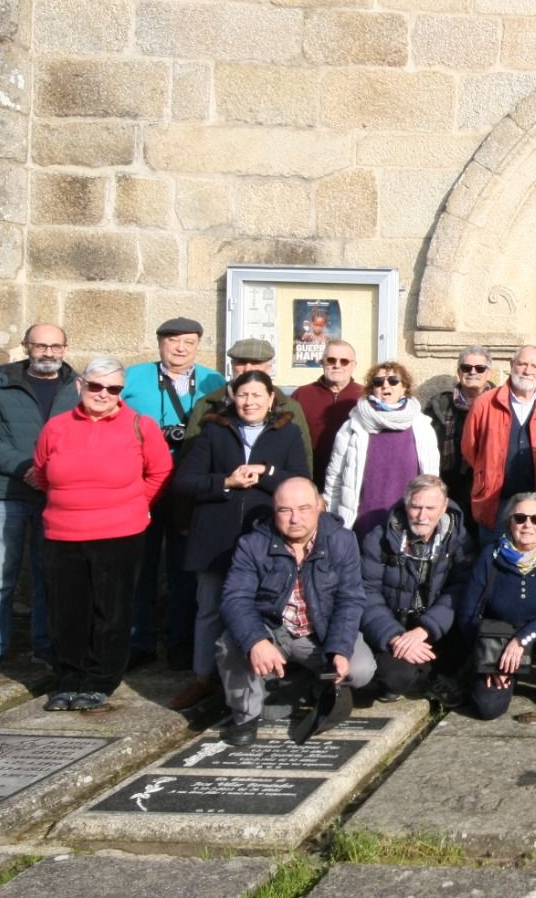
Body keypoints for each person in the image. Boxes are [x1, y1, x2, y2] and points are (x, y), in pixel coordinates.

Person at [33, 356, 174, 711]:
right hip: (63, 533)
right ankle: (69, 679)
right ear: (80, 385)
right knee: (67, 611)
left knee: (111, 611)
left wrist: (135, 505)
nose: (103, 394)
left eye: (113, 388)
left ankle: (100, 680)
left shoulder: (141, 425)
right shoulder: (56, 427)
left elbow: (160, 471)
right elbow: (42, 472)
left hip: (120, 533)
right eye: (96, 386)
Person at [170, 371, 309, 710]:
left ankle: (255, 678)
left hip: (265, 537)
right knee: (209, 608)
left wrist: (267, 474)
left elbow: (302, 481)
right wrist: (226, 482)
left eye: (257, 395)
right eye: (243, 395)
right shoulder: (214, 431)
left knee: (262, 609)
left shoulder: (287, 433)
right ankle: (203, 678)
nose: (250, 402)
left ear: (271, 399)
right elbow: (185, 481)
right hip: (215, 537)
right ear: (233, 398)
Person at [216, 477, 376, 746]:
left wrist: (339, 649)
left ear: (319, 506)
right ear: (274, 510)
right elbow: (235, 599)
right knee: (230, 644)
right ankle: (245, 715)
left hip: (318, 632)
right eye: (285, 510)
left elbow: (350, 599)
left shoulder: (342, 540)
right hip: (272, 630)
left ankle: (308, 680)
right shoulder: (252, 544)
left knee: (360, 670)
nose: (294, 519)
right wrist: (256, 641)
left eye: (303, 509)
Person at [0, 324, 78, 681]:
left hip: (56, 496)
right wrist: (26, 468)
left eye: (55, 346)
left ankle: (44, 647)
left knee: (49, 576)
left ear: (65, 348)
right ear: (26, 347)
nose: (48, 353)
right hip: (6, 494)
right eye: (40, 346)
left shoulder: (77, 387)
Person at [121, 317, 225, 671]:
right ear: (160, 343)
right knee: (141, 566)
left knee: (184, 568)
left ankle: (180, 642)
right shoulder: (134, 377)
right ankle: (139, 641)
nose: (180, 348)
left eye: (189, 342)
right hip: (142, 484)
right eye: (173, 341)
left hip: (189, 487)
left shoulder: (213, 380)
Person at [456, 492, 536, 718]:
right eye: (520, 518)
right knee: (487, 709)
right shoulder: (490, 556)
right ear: (509, 522)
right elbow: (468, 612)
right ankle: (503, 672)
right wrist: (488, 660)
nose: (527, 525)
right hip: (498, 639)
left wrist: (522, 640)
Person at [359, 476, 474, 703]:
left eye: (430, 508)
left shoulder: (458, 538)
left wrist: (426, 628)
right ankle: (421, 673)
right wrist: (395, 637)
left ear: (444, 506)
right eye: (416, 507)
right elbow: (366, 593)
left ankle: (433, 673)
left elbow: (460, 588)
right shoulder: (378, 538)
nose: (422, 516)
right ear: (406, 505)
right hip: (393, 625)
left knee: (470, 630)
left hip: (435, 625)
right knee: (396, 678)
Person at [461, 344, 536, 545]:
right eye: (522, 364)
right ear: (511, 365)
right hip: (494, 502)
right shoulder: (485, 403)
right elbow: (469, 448)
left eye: (534, 366)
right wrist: (487, 472)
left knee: (531, 560)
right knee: (491, 557)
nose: (527, 371)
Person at [323, 361, 440, 534]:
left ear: (404, 388)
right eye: (378, 382)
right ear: (372, 389)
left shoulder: (422, 426)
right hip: (363, 520)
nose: (385, 385)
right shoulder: (353, 426)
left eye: (393, 380)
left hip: (409, 519)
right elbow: (335, 477)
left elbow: (432, 478)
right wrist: (332, 519)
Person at [183, 339, 313, 472]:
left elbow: (304, 460)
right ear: (232, 365)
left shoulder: (289, 406)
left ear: (269, 368)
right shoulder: (207, 404)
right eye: (241, 362)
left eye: (256, 363)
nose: (247, 368)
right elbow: (189, 457)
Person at [425, 345, 495, 535]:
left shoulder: (500, 404)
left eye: (480, 368)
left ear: (488, 373)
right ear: (459, 372)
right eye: (466, 368)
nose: (473, 372)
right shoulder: (440, 405)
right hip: (449, 486)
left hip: (487, 488)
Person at [291, 339, 363, 490]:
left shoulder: (364, 397)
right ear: (322, 362)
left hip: (352, 480)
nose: (337, 365)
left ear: (353, 365)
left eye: (344, 361)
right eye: (331, 360)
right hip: (310, 478)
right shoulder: (301, 395)